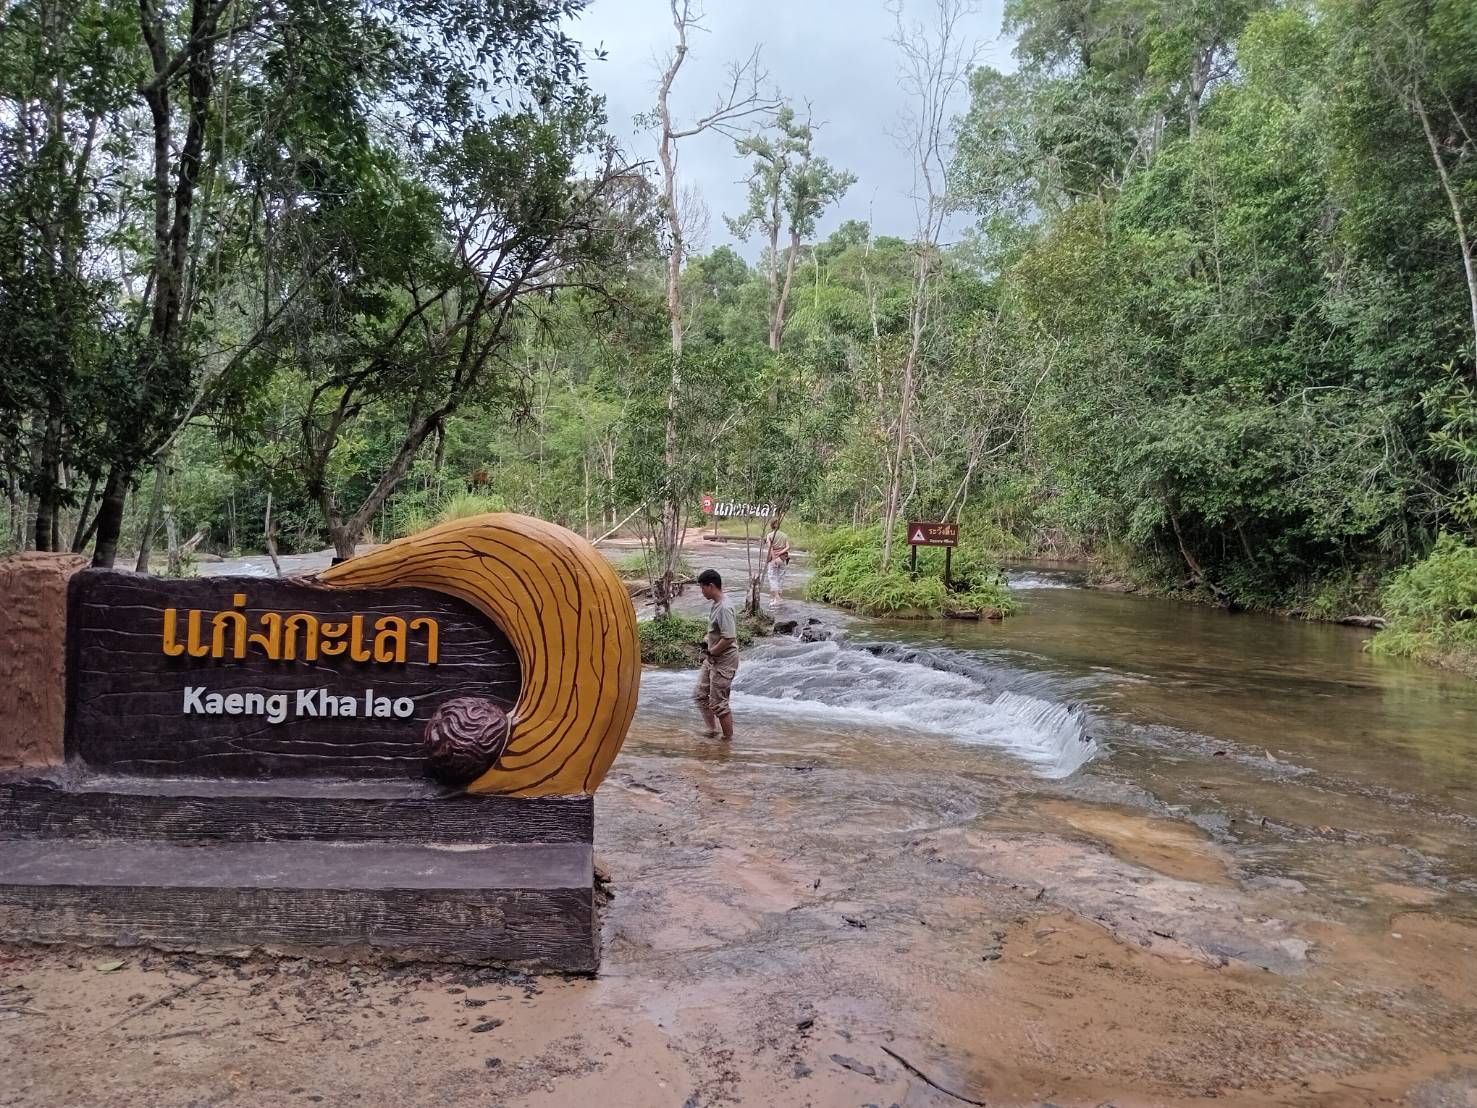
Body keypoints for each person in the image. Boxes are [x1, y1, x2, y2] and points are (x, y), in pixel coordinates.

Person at [693, 568, 738, 740]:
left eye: (702, 588)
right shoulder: (716, 605)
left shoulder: (725, 608)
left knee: (719, 704)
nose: (702, 592)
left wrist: (711, 651)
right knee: (701, 696)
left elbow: (729, 637)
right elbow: (718, 632)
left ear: (711, 586)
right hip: (713, 658)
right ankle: (712, 731)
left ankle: (727, 741)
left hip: (724, 660)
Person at [763, 518, 791, 607]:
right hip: (783, 558)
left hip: (774, 558)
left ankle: (777, 597)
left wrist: (774, 558)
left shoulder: (769, 535)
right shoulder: (784, 535)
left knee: (772, 577)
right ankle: (778, 598)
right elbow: (788, 547)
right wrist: (781, 552)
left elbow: (770, 548)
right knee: (780, 577)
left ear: (771, 525)